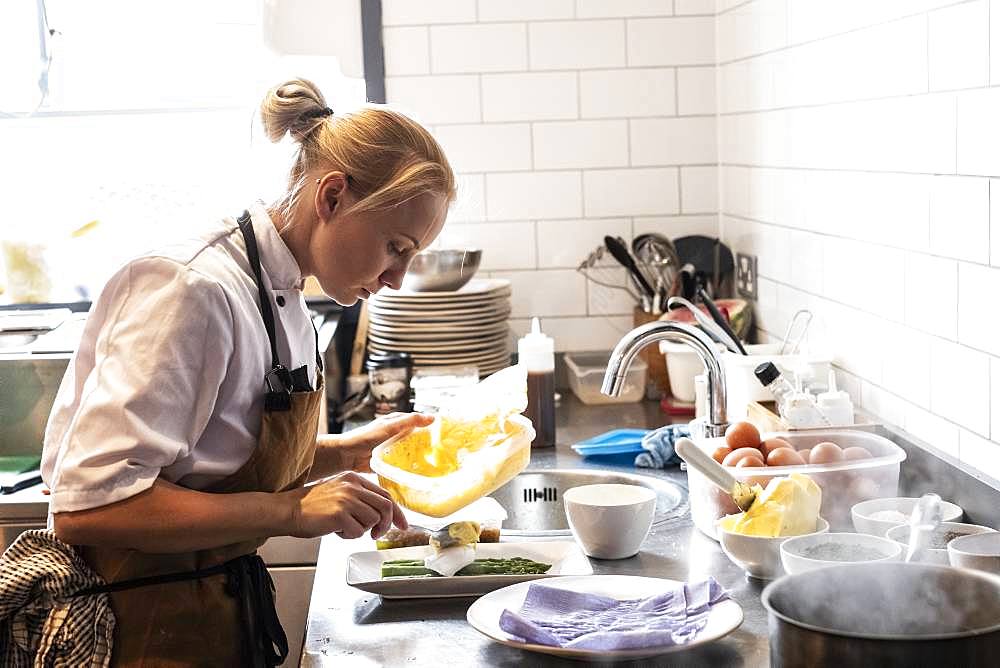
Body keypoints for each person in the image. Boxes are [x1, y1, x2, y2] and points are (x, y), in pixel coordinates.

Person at [39, 78, 455, 666]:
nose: (396, 280)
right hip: (129, 627)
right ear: (332, 197)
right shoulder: (191, 288)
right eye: (395, 246)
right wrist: (290, 510)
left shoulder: (282, 293)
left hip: (212, 613)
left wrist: (346, 452)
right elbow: (91, 507)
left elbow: (217, 461)